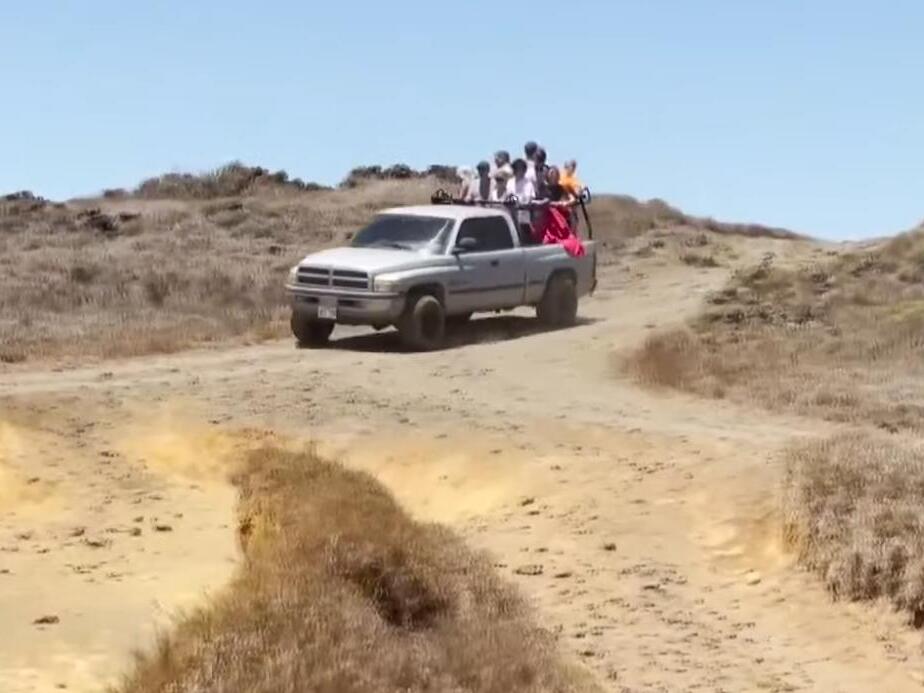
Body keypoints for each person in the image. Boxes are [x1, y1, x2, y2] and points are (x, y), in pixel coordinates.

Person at [506, 158, 536, 241]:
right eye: (517, 169)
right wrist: (514, 199)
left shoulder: (528, 183)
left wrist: (517, 200)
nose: (519, 171)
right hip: (511, 217)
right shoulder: (510, 182)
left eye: (521, 169)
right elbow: (509, 195)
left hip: (524, 219)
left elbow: (528, 199)